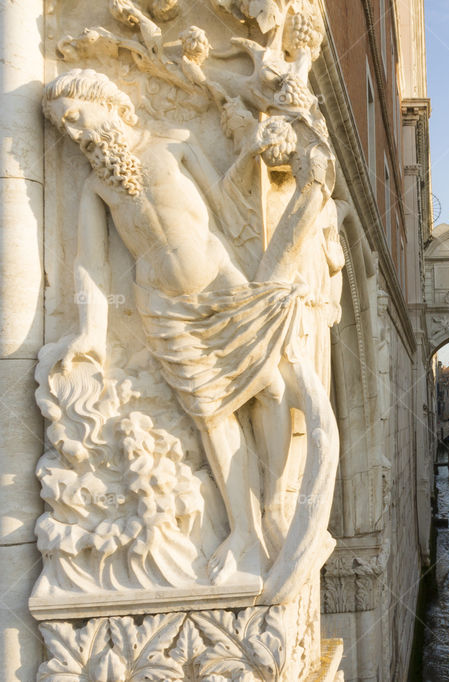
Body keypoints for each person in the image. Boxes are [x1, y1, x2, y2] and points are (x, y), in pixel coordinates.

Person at [43, 68, 340, 585]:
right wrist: (91, 331)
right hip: (164, 310)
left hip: (224, 290)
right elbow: (91, 264)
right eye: (62, 128)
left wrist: (251, 156)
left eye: (73, 118)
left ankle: (275, 505)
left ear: (103, 101)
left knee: (269, 388)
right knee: (212, 417)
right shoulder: (96, 185)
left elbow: (225, 203)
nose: (73, 133)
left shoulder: (174, 144)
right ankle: (242, 530)